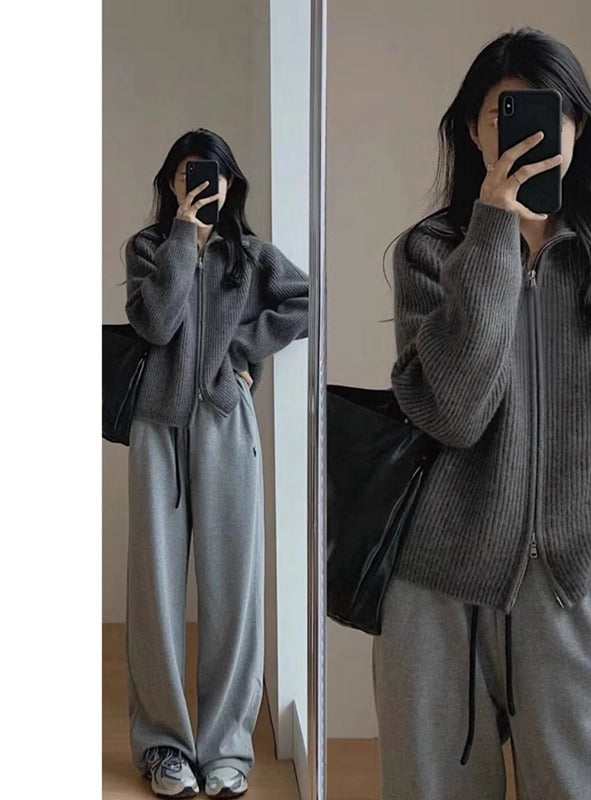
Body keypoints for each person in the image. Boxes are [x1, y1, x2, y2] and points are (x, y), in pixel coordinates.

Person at [373, 27, 591, 800]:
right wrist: (491, 232)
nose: (525, 132)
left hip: (579, 592)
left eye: (551, 113)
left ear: (579, 128)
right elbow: (453, 413)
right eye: (504, 114)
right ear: (473, 130)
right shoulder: (429, 254)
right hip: (438, 594)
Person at [123, 128, 309, 798]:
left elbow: (305, 301)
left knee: (234, 588)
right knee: (155, 592)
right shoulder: (149, 248)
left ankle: (227, 745)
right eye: (188, 173)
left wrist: (242, 351)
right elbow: (154, 324)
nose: (201, 183)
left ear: (231, 184)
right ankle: (165, 746)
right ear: (172, 183)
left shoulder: (251, 256)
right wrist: (182, 235)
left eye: (213, 174)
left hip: (227, 426)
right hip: (158, 428)